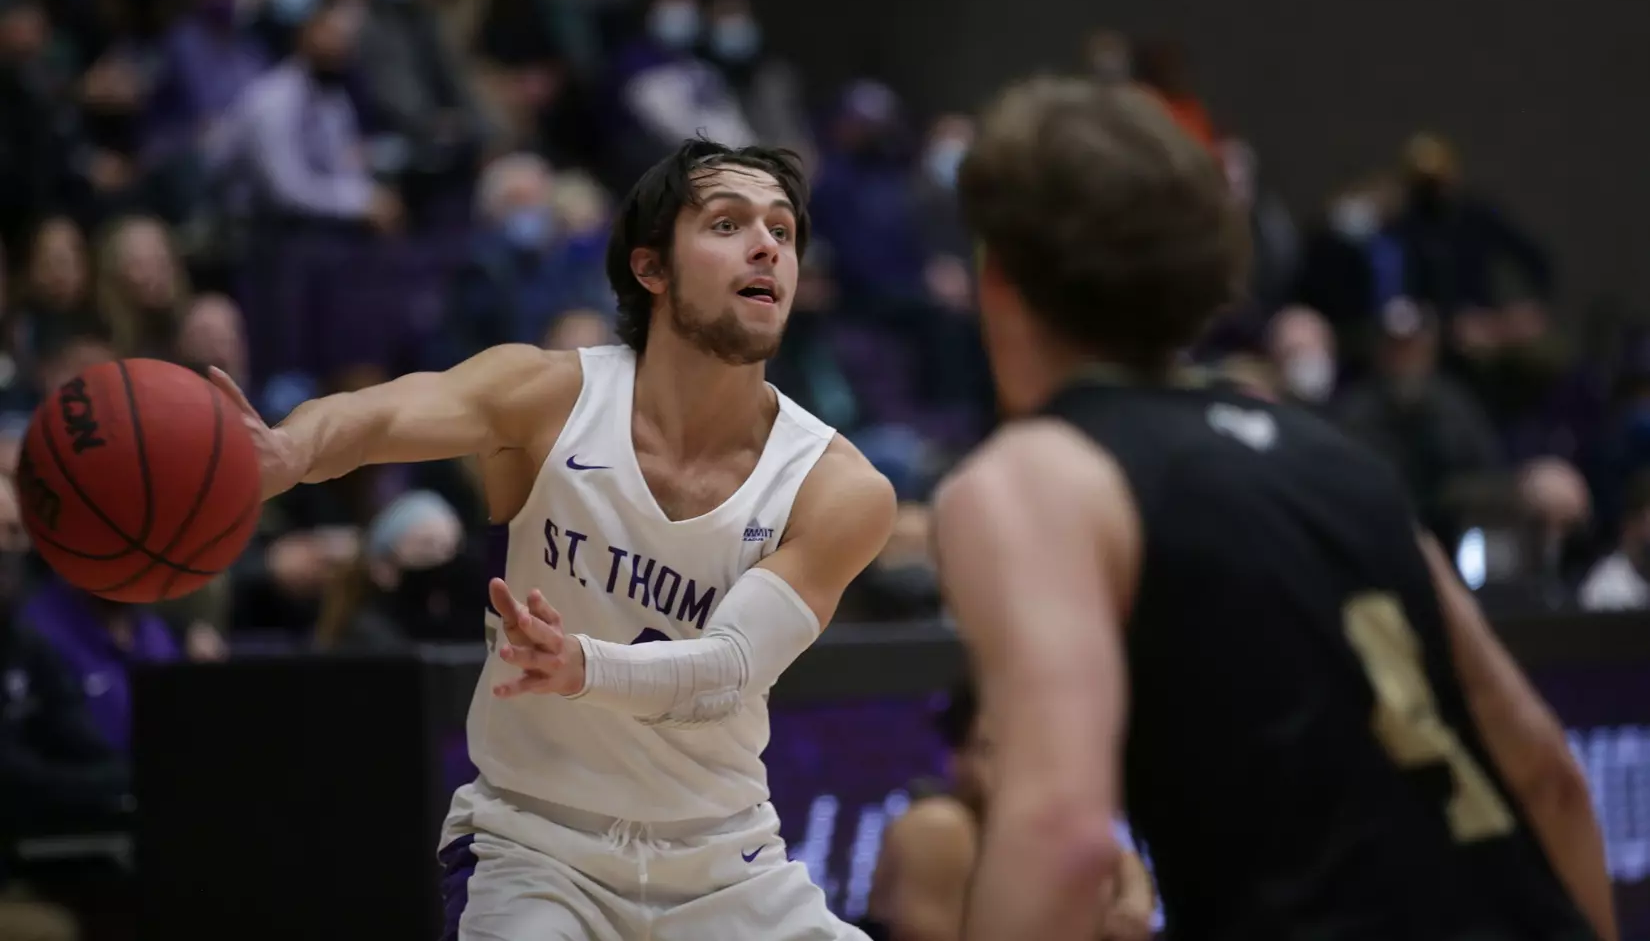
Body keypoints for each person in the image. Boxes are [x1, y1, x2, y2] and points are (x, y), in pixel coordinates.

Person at [931, 79, 1615, 941]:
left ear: (998, 279)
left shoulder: (1036, 474)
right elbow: (1547, 771)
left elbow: (1063, 839)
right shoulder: (1335, 457)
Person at [214, 139, 896, 940]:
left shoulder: (838, 486)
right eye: (726, 223)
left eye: (782, 230)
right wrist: (291, 453)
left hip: (726, 866)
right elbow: (379, 415)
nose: (766, 247)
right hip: (536, 850)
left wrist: (580, 667)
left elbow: (729, 670)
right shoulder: (547, 397)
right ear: (652, 270)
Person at [861, 677, 1156, 941]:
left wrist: (1133, 891)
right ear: (957, 761)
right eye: (992, 750)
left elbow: (1118, 864)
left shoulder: (1058, 833)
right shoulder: (939, 827)